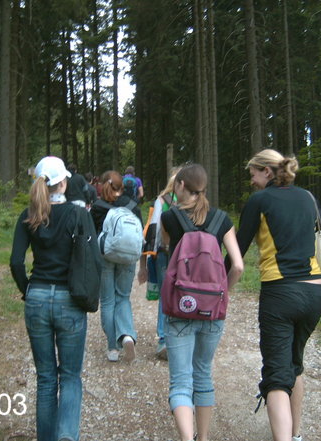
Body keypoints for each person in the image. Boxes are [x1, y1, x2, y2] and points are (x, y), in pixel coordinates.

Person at [234, 149, 321, 441]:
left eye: (253, 174)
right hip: (315, 293)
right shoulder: (309, 197)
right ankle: (295, 435)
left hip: (280, 292)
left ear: (267, 172)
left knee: (276, 375)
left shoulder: (260, 201)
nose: (252, 181)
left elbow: (239, 246)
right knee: (294, 364)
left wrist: (217, 282)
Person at [10, 156, 93, 441]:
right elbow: (90, 260)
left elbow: (16, 263)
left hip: (37, 298)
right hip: (69, 301)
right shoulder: (77, 214)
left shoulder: (28, 214)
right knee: (69, 376)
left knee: (46, 378)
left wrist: (27, 290)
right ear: (64, 182)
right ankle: (67, 436)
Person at [160, 164, 244, 441]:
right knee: (203, 373)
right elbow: (239, 266)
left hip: (180, 308)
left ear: (181, 185)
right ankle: (203, 437)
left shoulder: (170, 218)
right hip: (212, 310)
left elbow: (165, 254)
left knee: (181, 380)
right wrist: (223, 293)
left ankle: (187, 438)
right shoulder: (222, 219)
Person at [90, 170, 143, 362]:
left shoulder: (97, 208)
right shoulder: (133, 206)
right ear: (123, 186)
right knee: (123, 298)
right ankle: (127, 334)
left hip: (105, 256)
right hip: (128, 258)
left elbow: (92, 235)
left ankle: (112, 347)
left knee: (107, 301)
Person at [137, 166, 181, 360]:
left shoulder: (161, 200)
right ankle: (180, 338)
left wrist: (148, 258)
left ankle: (163, 339)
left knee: (166, 295)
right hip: (186, 255)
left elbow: (153, 229)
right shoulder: (193, 200)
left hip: (164, 253)